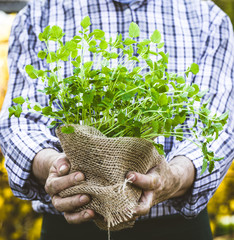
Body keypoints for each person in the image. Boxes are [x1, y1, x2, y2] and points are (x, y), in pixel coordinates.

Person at [0, 0, 233, 239]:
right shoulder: (39, 13)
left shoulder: (208, 18)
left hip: (177, 228)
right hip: (72, 226)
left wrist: (174, 176)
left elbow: (218, 127)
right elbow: (20, 125)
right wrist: (55, 166)